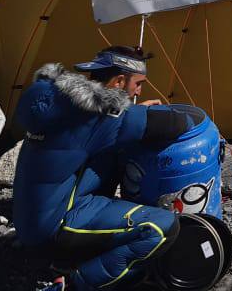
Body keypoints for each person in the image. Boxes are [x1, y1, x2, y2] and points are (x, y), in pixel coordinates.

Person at [13, 46, 195, 291]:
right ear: (119, 81)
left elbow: (113, 128)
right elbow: (178, 122)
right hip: (55, 226)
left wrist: (136, 110)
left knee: (115, 153)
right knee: (160, 228)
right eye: (138, 83)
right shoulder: (99, 115)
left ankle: (69, 255)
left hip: (33, 222)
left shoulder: (63, 105)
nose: (140, 91)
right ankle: (72, 283)